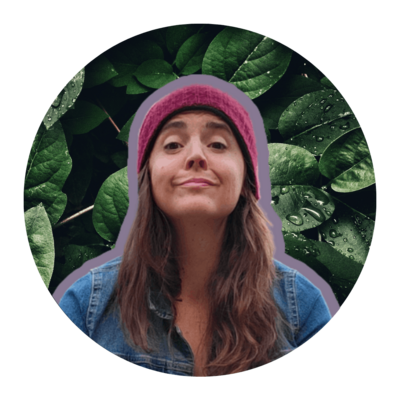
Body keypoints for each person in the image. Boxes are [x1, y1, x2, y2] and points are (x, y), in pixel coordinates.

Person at [59, 83, 332, 377]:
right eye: (173, 144)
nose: (196, 155)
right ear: (147, 177)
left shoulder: (301, 306)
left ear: (247, 181)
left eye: (217, 144)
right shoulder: (86, 306)